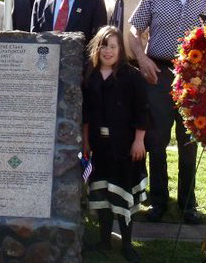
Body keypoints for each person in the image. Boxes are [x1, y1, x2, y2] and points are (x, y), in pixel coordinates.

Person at [128, 0, 206, 224]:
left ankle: (188, 205)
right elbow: (134, 29)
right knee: (156, 140)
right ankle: (159, 203)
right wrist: (141, 59)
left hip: (193, 77)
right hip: (158, 73)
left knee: (188, 140)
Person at [83, 26, 147, 263]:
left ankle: (127, 243)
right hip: (99, 146)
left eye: (113, 46)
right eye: (103, 46)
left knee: (122, 194)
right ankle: (103, 239)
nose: (107, 51)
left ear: (121, 50)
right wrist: (87, 142)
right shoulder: (90, 75)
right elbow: (87, 114)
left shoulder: (131, 76)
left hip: (125, 146)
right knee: (101, 192)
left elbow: (142, 110)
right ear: (96, 48)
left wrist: (139, 140)